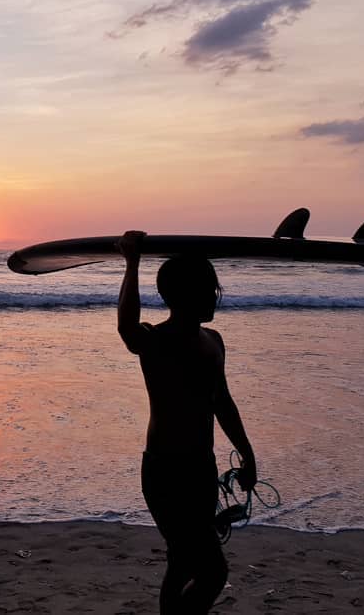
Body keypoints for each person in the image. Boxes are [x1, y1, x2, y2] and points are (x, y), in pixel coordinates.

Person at [116, 230, 257, 614]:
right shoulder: (155, 341)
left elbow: (222, 403)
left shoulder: (214, 340)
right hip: (164, 471)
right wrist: (132, 262)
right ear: (181, 295)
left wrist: (247, 454)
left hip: (201, 468)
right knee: (212, 571)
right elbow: (127, 327)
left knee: (181, 561)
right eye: (207, 289)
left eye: (214, 288)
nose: (215, 296)